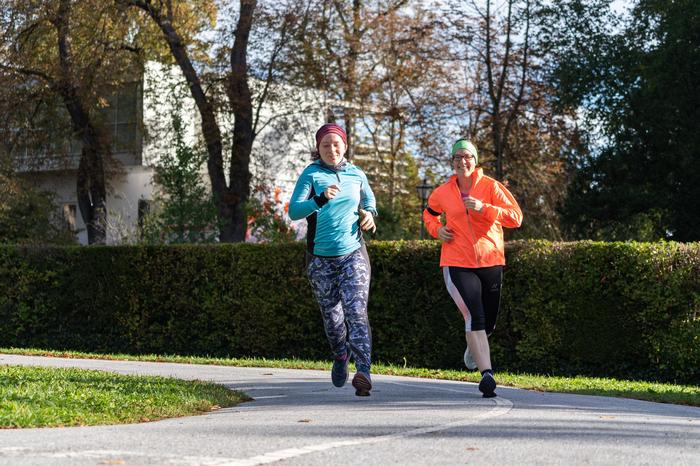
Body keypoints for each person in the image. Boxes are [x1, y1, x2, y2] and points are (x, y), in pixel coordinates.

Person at [423, 139, 522, 398]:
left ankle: (474, 348)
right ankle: (487, 375)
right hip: (457, 262)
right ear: (452, 163)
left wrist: (485, 208)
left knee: (488, 320)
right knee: (474, 316)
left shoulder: (491, 187)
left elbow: (516, 218)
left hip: (491, 261)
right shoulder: (443, 192)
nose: (462, 162)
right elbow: (429, 214)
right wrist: (437, 230)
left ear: (475, 161)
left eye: (467, 157)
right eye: (457, 158)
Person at [288, 123, 378, 397]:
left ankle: (363, 370)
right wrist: (319, 199)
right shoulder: (311, 174)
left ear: (345, 146)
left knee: (356, 310)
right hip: (320, 259)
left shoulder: (356, 174)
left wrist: (369, 214)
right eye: (325, 145)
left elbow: (370, 201)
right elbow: (294, 211)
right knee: (333, 316)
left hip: (353, 253)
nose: (332, 149)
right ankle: (341, 355)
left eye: (336, 144)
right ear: (318, 149)